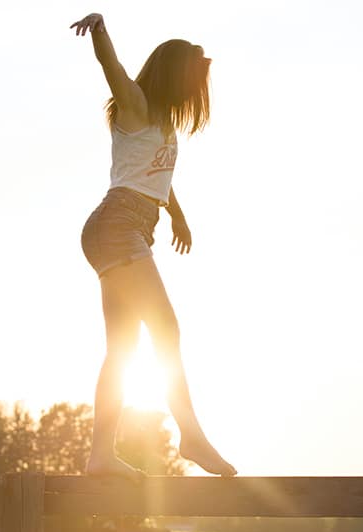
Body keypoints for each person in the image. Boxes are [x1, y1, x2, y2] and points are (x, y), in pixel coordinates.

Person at [71, 12, 237, 481]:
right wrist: (100, 32)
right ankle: (191, 434)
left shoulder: (162, 123)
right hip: (117, 224)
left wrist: (176, 214)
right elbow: (113, 70)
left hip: (126, 229)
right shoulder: (137, 104)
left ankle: (100, 457)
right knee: (166, 327)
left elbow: (157, 177)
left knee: (121, 349)